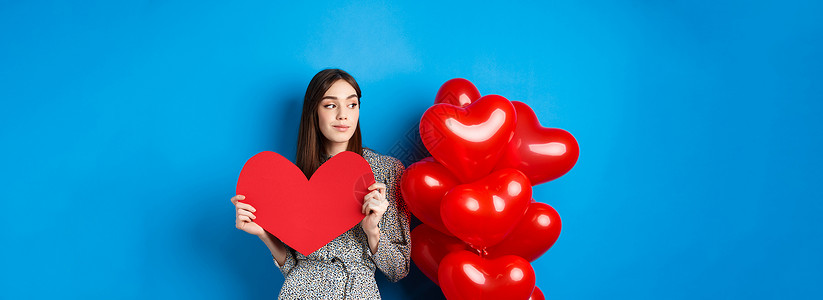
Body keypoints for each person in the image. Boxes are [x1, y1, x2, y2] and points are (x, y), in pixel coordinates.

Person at [230, 69, 411, 299]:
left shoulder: (386, 170)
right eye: (330, 105)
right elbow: (293, 268)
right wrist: (264, 234)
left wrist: (372, 231)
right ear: (314, 111)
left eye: (352, 104)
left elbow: (399, 269)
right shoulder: (294, 178)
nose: (343, 115)